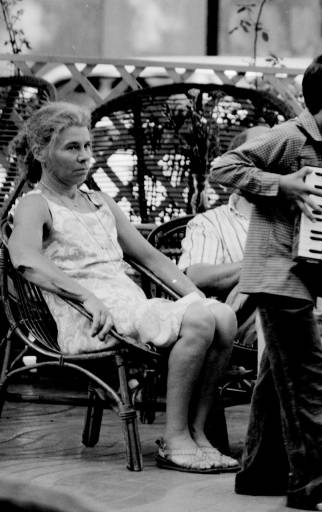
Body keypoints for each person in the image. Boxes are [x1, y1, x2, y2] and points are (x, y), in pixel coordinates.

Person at [7, 102, 239, 474]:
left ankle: (197, 433)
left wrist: (196, 295)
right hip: (89, 316)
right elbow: (24, 258)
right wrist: (86, 296)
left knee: (222, 316)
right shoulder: (36, 204)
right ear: (40, 152)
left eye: (88, 147)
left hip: (130, 309)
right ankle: (175, 439)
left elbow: (149, 257)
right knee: (198, 321)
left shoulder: (100, 202)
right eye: (72, 148)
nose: (85, 158)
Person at [209, 51, 322, 511]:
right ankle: (314, 486)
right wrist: (280, 185)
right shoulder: (286, 137)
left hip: (301, 277)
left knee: (274, 379)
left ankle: (259, 473)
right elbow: (223, 167)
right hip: (278, 276)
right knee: (309, 380)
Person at [178, 126, 322, 391]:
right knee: (287, 286)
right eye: (259, 155)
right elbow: (195, 276)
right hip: (242, 322)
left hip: (308, 312)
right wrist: (262, 263)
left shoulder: (300, 218)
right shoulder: (210, 222)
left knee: (297, 290)